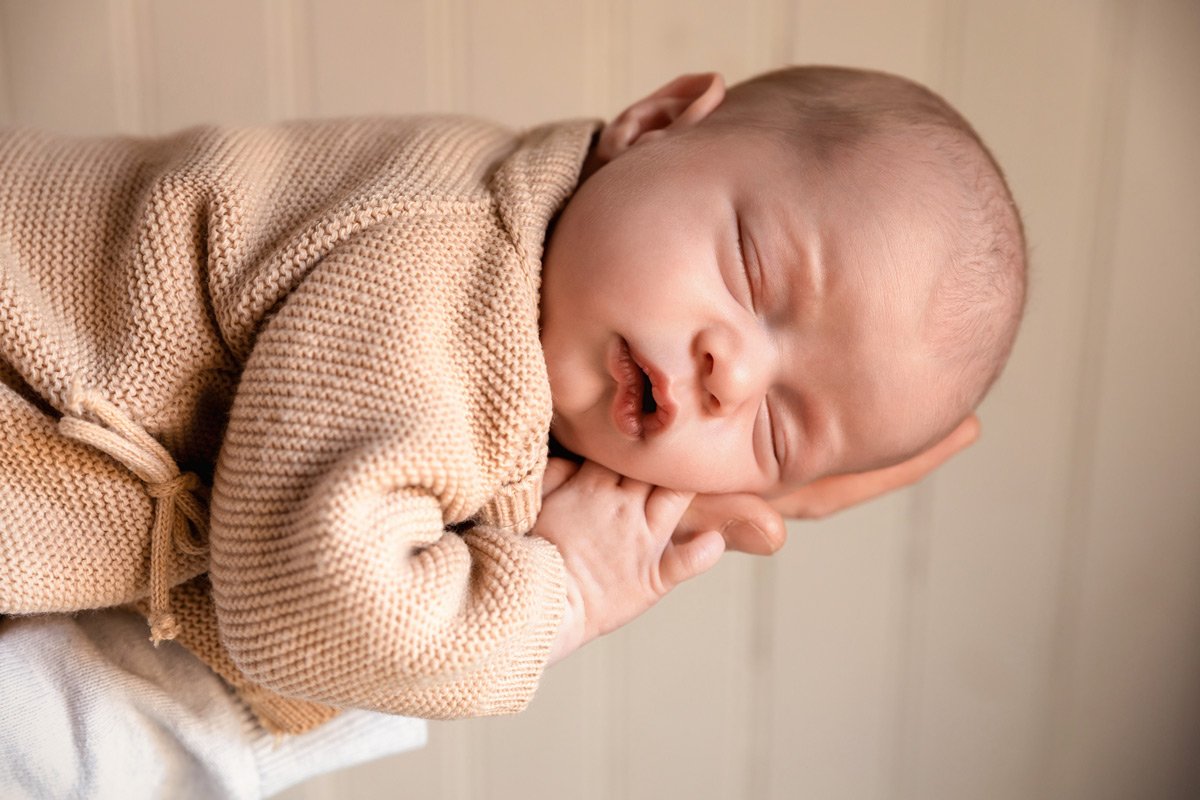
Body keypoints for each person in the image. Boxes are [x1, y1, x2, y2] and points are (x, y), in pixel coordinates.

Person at [0, 64, 1024, 744]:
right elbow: (302, 615)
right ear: (655, 124)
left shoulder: (527, 234)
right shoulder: (452, 279)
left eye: (778, 428)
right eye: (752, 271)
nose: (733, 376)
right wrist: (563, 589)